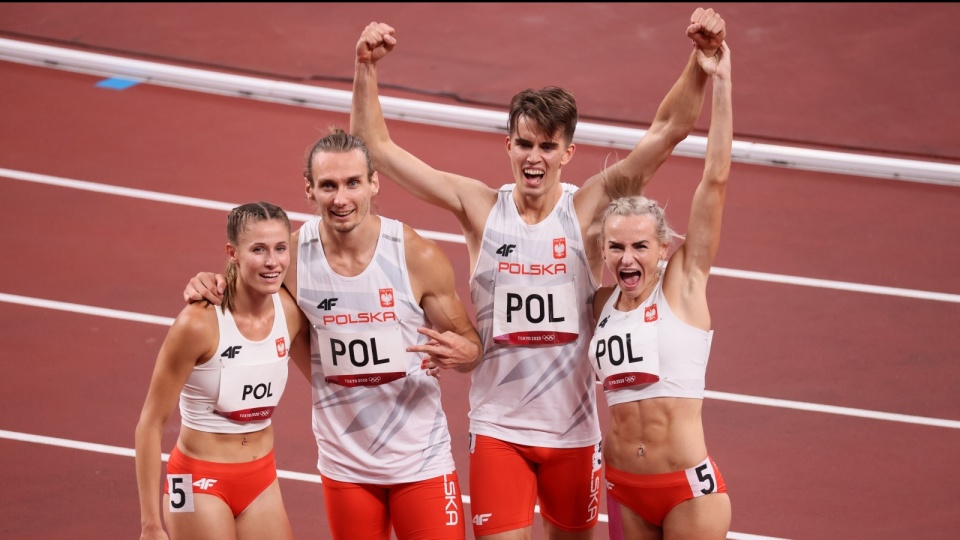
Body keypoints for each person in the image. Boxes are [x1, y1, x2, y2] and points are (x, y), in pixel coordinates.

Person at [350, 8, 726, 539]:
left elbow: (668, 131)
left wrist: (699, 61)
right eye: (524, 144)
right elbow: (379, 150)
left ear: (568, 152)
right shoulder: (479, 207)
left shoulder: (588, 209)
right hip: (499, 430)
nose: (534, 158)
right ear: (508, 145)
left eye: (548, 147)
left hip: (573, 435)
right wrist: (365, 69)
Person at [182, 128, 483, 539]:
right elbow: (235, 288)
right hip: (346, 465)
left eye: (352, 183)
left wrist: (464, 355)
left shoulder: (415, 255)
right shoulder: (290, 259)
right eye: (328, 186)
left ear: (374, 183)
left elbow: (471, 345)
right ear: (309, 189)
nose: (341, 199)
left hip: (421, 459)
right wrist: (204, 281)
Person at [589, 40, 733, 539]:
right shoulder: (600, 304)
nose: (627, 259)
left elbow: (714, 179)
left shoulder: (683, 286)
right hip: (623, 488)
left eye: (640, 247)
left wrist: (722, 82)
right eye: (616, 248)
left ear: (664, 247)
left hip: (686, 493)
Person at [135, 201, 310, 540]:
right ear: (233, 252)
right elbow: (150, 423)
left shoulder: (290, 312)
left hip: (262, 478)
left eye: (279, 249)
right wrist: (150, 525)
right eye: (258, 249)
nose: (272, 262)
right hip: (199, 481)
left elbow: (329, 370)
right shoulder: (198, 324)